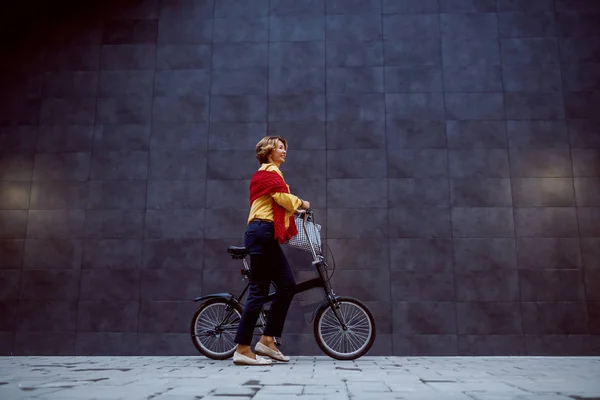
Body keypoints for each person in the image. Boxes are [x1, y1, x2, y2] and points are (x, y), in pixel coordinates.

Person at [232, 135, 310, 366]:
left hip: (264, 234)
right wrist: (302, 203)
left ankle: (267, 340)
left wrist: (294, 210)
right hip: (261, 232)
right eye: (280, 148)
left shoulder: (271, 174)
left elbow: (276, 201)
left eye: (285, 148)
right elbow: (282, 198)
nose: (284, 151)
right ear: (268, 151)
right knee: (258, 290)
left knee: (287, 286)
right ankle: (242, 349)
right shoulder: (268, 173)